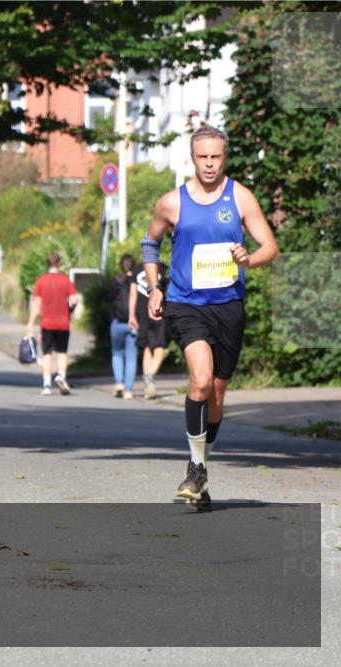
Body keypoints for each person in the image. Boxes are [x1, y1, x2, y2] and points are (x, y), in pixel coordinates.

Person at [143, 125, 279, 507]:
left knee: (217, 394)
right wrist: (155, 287)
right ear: (192, 158)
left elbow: (271, 247)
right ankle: (196, 470)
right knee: (200, 380)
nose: (208, 164)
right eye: (202, 157)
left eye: (215, 157)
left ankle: (199, 469)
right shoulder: (172, 202)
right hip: (186, 303)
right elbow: (151, 242)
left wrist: (248, 259)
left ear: (224, 157)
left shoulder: (240, 197)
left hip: (228, 305)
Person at [25, 252, 78, 395]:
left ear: (47, 264)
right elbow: (74, 300)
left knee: (47, 353)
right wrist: (69, 311)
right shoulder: (65, 280)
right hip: (63, 323)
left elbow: (37, 304)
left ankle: (47, 384)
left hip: (47, 323)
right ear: (59, 264)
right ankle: (61, 376)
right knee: (62, 352)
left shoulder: (41, 281)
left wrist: (30, 323)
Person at [129, 258, 170, 399]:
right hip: (158, 310)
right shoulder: (162, 268)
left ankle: (148, 385)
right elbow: (168, 291)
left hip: (141, 313)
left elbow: (133, 294)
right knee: (159, 348)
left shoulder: (137, 268)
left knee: (147, 348)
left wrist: (131, 315)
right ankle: (149, 377)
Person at [110, 254, 137, 399]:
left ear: (121, 265)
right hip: (133, 323)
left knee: (117, 353)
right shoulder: (137, 281)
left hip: (117, 322)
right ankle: (128, 390)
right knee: (131, 357)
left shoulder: (116, 281)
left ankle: (119, 383)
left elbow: (111, 300)